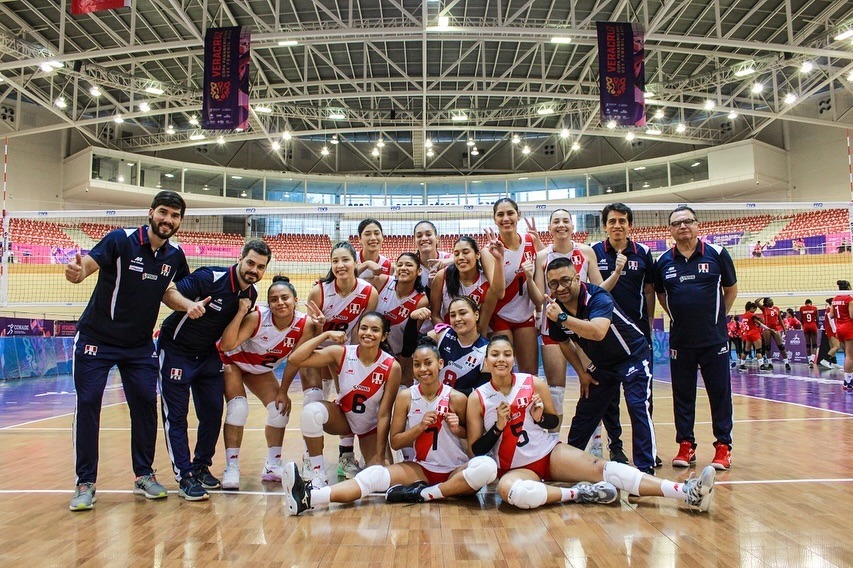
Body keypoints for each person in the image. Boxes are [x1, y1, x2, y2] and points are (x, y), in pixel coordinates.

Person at [466, 335, 716, 512]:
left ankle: (687, 492)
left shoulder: (532, 383)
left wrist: (540, 416)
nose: (502, 359)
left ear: (514, 359)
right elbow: (477, 450)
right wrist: (498, 425)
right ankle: (579, 493)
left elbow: (552, 424)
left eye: (507, 354)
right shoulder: (477, 398)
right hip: (514, 467)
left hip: (549, 454)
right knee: (508, 492)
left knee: (607, 468)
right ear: (486, 362)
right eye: (495, 355)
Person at [65, 191, 189, 511]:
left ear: (179, 222)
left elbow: (170, 295)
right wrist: (76, 272)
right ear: (151, 213)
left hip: (139, 346)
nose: (168, 220)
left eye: (175, 216)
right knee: (89, 403)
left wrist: (190, 306)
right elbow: (86, 268)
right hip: (97, 339)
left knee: (146, 404)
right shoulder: (120, 240)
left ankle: (144, 475)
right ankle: (86, 482)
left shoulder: (174, 257)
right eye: (163, 212)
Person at [282, 339, 498, 516]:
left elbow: (473, 446)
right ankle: (309, 496)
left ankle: (424, 494)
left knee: (487, 466)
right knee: (374, 474)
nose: (423, 369)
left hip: (455, 473)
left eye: (428, 363)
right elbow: (395, 441)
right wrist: (420, 427)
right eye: (417, 364)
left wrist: (458, 430)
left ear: (440, 363)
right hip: (421, 468)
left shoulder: (458, 398)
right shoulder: (406, 397)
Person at [158, 239, 270, 501]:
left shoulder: (250, 296)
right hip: (176, 349)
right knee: (177, 415)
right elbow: (168, 293)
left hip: (208, 354)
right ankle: (184, 476)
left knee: (212, 412)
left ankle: (200, 466)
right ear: (241, 258)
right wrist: (188, 305)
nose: (254, 270)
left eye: (260, 267)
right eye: (251, 262)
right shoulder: (210, 277)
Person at [542, 257, 657, 475]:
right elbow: (563, 342)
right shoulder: (554, 311)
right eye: (554, 283)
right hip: (602, 366)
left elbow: (597, 331)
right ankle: (566, 466)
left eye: (566, 280)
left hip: (632, 356)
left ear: (577, 278)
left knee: (637, 405)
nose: (561, 287)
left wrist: (562, 317)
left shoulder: (598, 297)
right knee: (585, 413)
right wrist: (581, 372)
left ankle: (644, 471)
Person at [217, 276, 323, 490]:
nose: (280, 302)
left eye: (285, 298)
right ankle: (232, 467)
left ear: (295, 299)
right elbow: (226, 346)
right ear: (268, 303)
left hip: (259, 370)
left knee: (279, 409)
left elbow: (295, 360)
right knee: (238, 409)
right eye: (274, 299)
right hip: (233, 363)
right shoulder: (257, 318)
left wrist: (283, 390)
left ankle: (272, 464)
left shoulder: (305, 324)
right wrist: (240, 313)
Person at [653, 206, 737, 471]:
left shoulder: (717, 254)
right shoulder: (663, 261)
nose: (683, 226)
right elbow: (661, 295)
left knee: (720, 394)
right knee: (683, 395)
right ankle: (686, 445)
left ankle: (723, 446)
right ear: (670, 230)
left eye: (688, 221)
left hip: (714, 340)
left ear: (697, 225)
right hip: (681, 340)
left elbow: (731, 289)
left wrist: (716, 318)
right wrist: (677, 316)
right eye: (677, 223)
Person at [287, 312, 401, 488]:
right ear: (357, 330)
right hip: (343, 419)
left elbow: (385, 414)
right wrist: (325, 335)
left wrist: (379, 454)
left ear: (384, 336)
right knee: (311, 412)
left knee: (382, 478)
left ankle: (366, 459)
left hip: (369, 427)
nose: (368, 333)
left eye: (375, 329)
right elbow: (294, 359)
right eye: (364, 328)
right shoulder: (341, 353)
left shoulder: (392, 366)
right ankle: (318, 473)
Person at [589, 203, 657, 466]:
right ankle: (616, 447)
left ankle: (647, 449)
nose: (617, 225)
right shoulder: (595, 253)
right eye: (612, 221)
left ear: (630, 225)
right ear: (605, 226)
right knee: (610, 399)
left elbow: (649, 290)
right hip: (606, 337)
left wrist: (648, 322)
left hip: (637, 337)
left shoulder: (644, 253)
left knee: (641, 399)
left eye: (623, 221)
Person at [305, 241, 379, 479]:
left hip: (344, 353)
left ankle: (346, 457)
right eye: (335, 261)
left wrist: (353, 363)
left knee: (347, 401)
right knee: (313, 400)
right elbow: (308, 334)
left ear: (355, 262)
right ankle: (310, 459)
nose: (340, 265)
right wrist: (319, 328)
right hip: (317, 350)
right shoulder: (320, 291)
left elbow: (361, 331)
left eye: (345, 260)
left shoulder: (368, 292)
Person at [533, 208, 604, 431]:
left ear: (573, 226)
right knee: (555, 390)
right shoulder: (542, 257)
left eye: (566, 221)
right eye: (556, 221)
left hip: (583, 328)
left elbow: (599, 290)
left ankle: (596, 441)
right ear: (550, 228)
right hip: (552, 327)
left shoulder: (587, 252)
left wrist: (616, 273)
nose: (561, 225)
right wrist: (530, 281)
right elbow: (538, 298)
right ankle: (552, 441)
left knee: (593, 383)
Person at [491, 198, 546, 375]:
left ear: (518, 216)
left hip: (525, 314)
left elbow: (548, 262)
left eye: (510, 213)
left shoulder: (531, 240)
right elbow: (497, 292)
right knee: (503, 371)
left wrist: (539, 244)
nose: (506, 218)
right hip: (499, 315)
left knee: (529, 374)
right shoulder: (491, 249)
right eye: (500, 214)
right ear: (494, 219)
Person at [368, 252, 431, 387]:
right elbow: (354, 281)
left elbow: (410, 337)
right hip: (374, 349)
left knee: (401, 386)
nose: (403, 268)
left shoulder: (421, 299)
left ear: (419, 271)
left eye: (409, 265)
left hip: (400, 353)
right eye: (400, 264)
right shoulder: (383, 281)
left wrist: (403, 363)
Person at [430, 235, 504, 334]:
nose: (460, 257)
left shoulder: (487, 283)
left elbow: (482, 326)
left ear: (477, 255)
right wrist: (447, 336)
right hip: (448, 334)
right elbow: (435, 315)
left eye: (466, 252)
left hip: (475, 336)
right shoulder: (442, 276)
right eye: (456, 254)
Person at [428, 296, 490, 396]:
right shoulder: (441, 334)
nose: (457, 319)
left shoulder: (487, 350)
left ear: (476, 315)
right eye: (453, 315)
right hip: (434, 400)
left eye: (463, 313)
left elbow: (482, 393)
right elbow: (409, 349)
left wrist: (446, 395)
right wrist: (413, 320)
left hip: (466, 406)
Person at [756, 297, 791, 371]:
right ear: (766, 303)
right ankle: (770, 363)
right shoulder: (764, 308)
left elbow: (780, 319)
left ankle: (786, 363)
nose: (771, 301)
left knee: (781, 346)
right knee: (768, 347)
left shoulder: (776, 308)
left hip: (775, 329)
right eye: (769, 300)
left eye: (771, 300)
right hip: (767, 329)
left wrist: (784, 329)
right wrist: (763, 297)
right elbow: (756, 302)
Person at [831, 280, 853, 390]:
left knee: (847, 355)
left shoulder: (835, 299)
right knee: (850, 355)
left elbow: (831, 315)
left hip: (839, 328)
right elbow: (852, 315)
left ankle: (848, 379)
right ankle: (848, 382)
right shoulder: (849, 299)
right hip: (848, 328)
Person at [738, 302, 764, 371]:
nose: (755, 310)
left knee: (746, 351)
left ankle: (742, 365)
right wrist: (768, 328)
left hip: (748, 334)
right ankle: (762, 366)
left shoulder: (744, 316)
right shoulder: (751, 315)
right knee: (758, 350)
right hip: (754, 333)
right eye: (755, 309)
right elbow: (759, 323)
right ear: (751, 308)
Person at [820, 297, 841, 369]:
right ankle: (825, 360)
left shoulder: (829, 309)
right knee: (837, 346)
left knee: (833, 346)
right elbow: (832, 322)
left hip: (829, 330)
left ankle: (834, 363)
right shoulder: (829, 310)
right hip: (831, 330)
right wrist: (835, 331)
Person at [800, 299, 819, 368]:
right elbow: (817, 318)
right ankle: (812, 360)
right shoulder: (814, 308)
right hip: (813, 325)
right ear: (811, 303)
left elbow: (801, 319)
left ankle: (809, 361)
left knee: (808, 344)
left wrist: (804, 324)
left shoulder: (802, 308)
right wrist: (816, 326)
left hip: (806, 325)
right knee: (814, 344)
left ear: (805, 303)